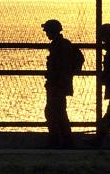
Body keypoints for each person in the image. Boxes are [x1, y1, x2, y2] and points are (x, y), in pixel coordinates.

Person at [42, 19, 75, 149]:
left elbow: (60, 66)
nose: (46, 34)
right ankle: (64, 140)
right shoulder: (62, 44)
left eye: (48, 31)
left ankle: (58, 141)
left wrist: (58, 76)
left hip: (57, 84)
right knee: (58, 112)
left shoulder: (60, 45)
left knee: (54, 112)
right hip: (58, 83)